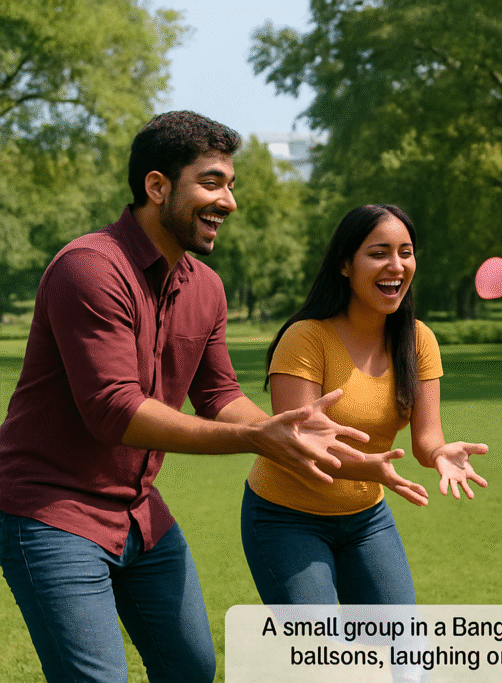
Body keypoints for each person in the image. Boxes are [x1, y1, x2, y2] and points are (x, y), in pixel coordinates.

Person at [0, 111, 374, 683]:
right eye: (211, 183)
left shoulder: (205, 286)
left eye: (230, 184)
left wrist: (292, 431)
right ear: (157, 187)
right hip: (52, 513)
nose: (228, 201)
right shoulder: (91, 270)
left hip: (138, 513)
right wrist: (255, 439)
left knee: (192, 669)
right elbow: (115, 410)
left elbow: (219, 392)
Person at [241, 203, 488, 607]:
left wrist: (441, 452)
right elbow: (299, 446)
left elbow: (427, 438)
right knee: (320, 657)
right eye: (378, 253)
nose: (396, 265)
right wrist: (370, 466)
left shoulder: (418, 340)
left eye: (405, 253)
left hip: (365, 519)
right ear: (344, 264)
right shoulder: (306, 338)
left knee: (405, 652)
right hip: (286, 517)